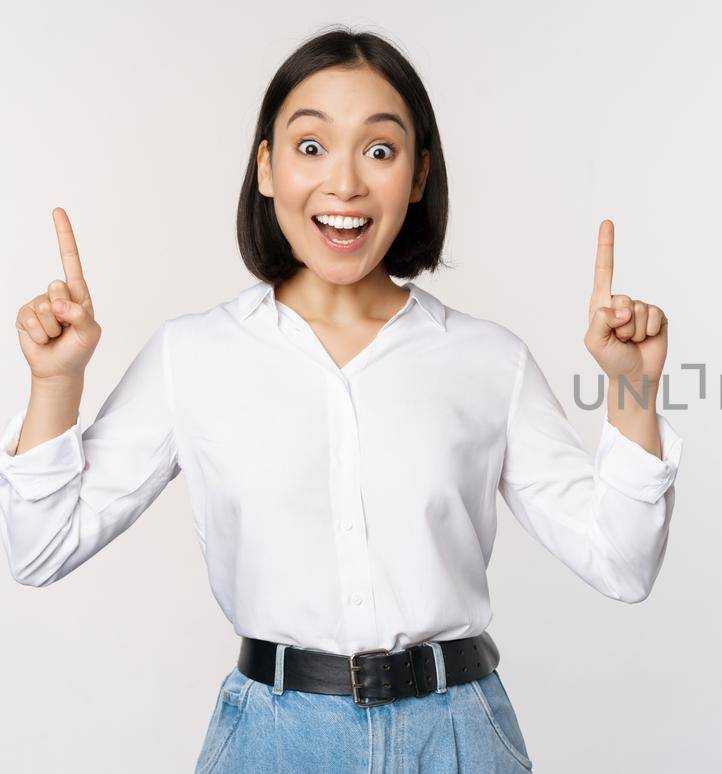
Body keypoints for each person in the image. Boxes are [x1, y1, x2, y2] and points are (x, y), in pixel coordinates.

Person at [0, 27, 682, 773]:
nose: (346, 184)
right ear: (265, 167)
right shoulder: (190, 355)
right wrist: (56, 384)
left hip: (458, 738)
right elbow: (41, 549)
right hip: (273, 742)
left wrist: (632, 389)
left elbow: (623, 563)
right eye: (311, 146)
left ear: (418, 176)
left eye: (380, 150)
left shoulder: (487, 360)